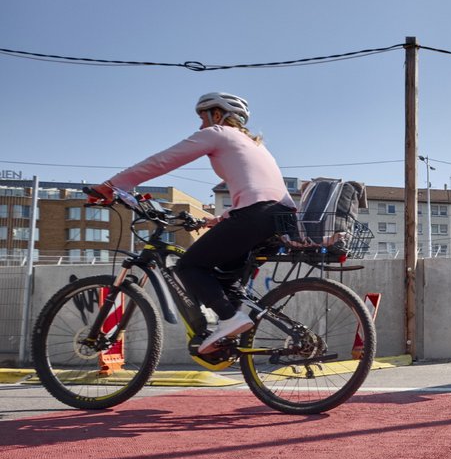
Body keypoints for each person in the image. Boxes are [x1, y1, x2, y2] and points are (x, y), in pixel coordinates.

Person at [90, 92, 297, 354]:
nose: (201, 126)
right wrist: (221, 219)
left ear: (218, 115)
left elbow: (164, 160)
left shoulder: (218, 133)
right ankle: (230, 335)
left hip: (256, 215)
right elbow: (260, 190)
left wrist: (112, 184)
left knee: (189, 265)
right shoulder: (255, 145)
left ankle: (231, 320)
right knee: (225, 278)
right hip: (279, 216)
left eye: (203, 118)